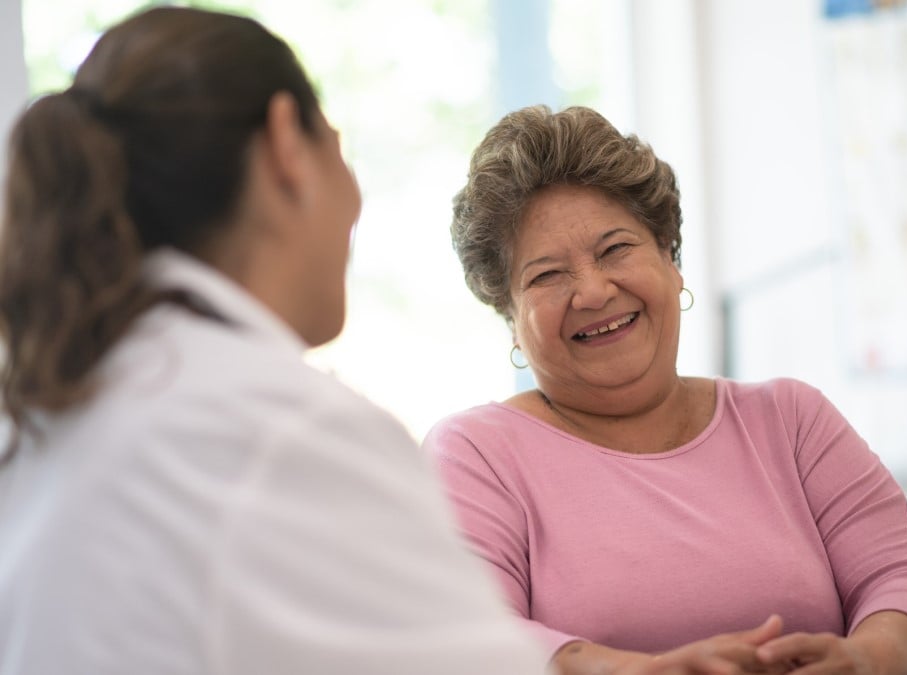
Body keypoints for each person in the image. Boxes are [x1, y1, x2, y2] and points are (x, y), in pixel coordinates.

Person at [0, 8, 551, 674]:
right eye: (340, 146)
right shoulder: (277, 429)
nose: (354, 199)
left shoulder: (56, 402)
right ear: (287, 143)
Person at [424, 104, 907, 675]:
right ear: (511, 319)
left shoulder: (792, 419)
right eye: (547, 275)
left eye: (616, 250)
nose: (594, 291)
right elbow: (471, 635)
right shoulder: (476, 453)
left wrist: (866, 657)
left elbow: (901, 578)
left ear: (671, 263)